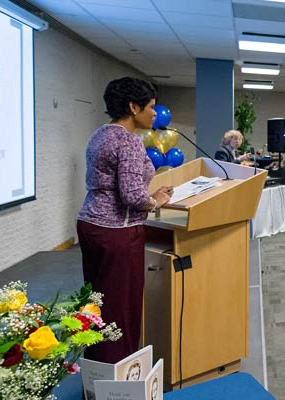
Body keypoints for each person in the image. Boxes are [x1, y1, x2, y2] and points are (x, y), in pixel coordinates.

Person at [77, 77, 171, 363]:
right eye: (151, 107)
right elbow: (132, 196)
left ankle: (96, 372)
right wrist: (156, 201)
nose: (155, 113)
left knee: (97, 305)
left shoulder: (100, 135)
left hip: (91, 224)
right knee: (120, 310)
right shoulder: (128, 141)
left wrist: (148, 194)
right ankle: (118, 379)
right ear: (133, 107)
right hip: (118, 232)